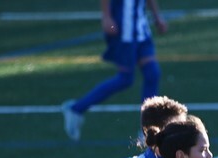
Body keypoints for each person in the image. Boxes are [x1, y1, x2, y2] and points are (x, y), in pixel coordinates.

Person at [62, 0, 168, 141]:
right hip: (122, 29)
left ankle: (148, 128)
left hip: (141, 28)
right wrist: (106, 17)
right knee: (125, 79)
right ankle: (76, 108)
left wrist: (157, 17)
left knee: (152, 74)